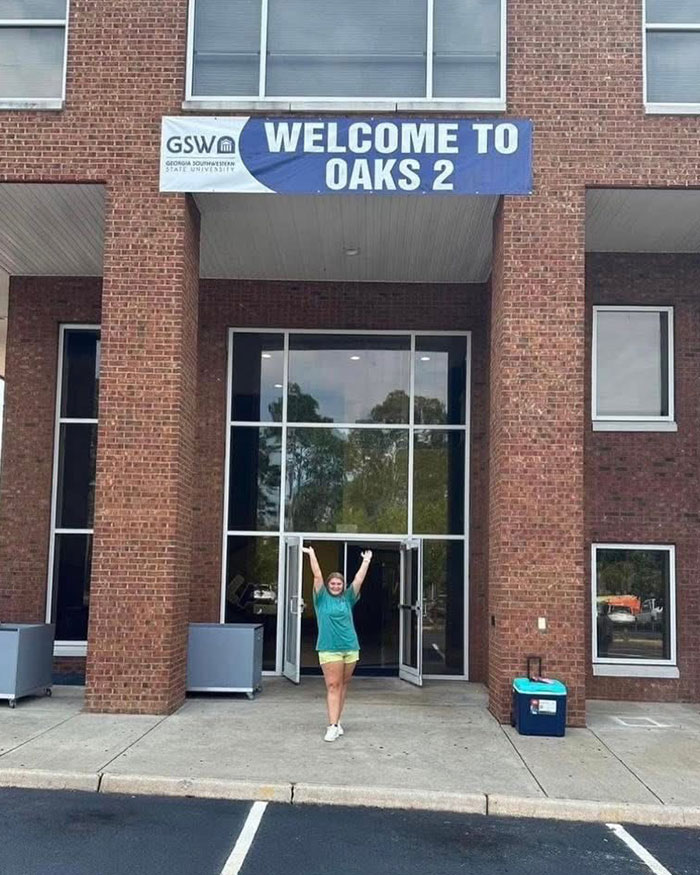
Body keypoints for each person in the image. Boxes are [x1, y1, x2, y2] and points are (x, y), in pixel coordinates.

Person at [302, 545, 372, 742]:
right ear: (328, 585)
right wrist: (312, 554)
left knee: (343, 685)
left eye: (338, 584)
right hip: (328, 648)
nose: (335, 586)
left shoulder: (348, 598)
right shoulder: (321, 598)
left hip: (350, 647)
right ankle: (332, 726)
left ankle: (338, 720)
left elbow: (359, 580)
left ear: (342, 586)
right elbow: (317, 576)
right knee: (333, 685)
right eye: (332, 583)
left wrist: (366, 561)